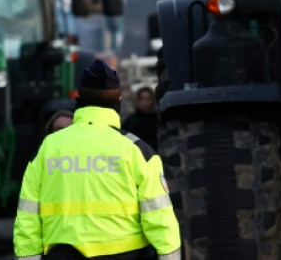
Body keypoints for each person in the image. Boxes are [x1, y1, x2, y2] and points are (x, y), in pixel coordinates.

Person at [14, 59, 181, 260]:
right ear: (119, 99)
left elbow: (27, 217)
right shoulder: (138, 151)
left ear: (78, 97)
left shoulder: (48, 148)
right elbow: (160, 218)